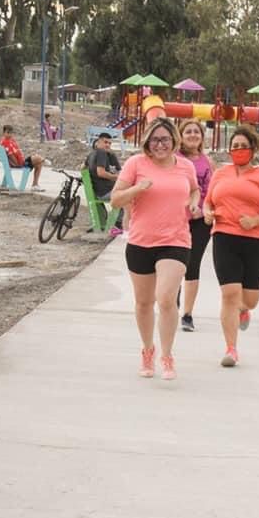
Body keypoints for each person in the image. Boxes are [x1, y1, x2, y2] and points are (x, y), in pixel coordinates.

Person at [111, 118, 199, 380]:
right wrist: (137, 188)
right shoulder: (135, 164)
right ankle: (148, 350)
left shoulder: (185, 166)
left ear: (174, 141)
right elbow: (115, 199)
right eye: (155, 140)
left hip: (176, 240)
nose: (160, 145)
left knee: (166, 298)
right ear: (147, 142)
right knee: (143, 303)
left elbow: (195, 190)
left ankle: (167, 355)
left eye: (165, 139)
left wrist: (194, 203)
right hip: (141, 241)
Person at [203, 125, 259, 367]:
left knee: (250, 300)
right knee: (229, 294)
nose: (239, 150)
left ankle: (244, 309)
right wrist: (207, 213)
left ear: (253, 149)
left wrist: (255, 221)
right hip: (224, 236)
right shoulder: (220, 173)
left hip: (255, 240)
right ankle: (231, 349)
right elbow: (208, 202)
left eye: (243, 146)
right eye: (235, 146)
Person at [176, 119, 214, 332]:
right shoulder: (174, 159)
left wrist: (203, 208)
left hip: (200, 221)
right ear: (180, 136)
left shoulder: (207, 162)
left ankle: (187, 314)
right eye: (188, 132)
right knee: (174, 263)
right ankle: (172, 301)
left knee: (192, 264)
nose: (192, 135)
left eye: (196, 132)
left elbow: (211, 190)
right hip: (176, 220)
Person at [85, 131, 124, 233]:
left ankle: (119, 223)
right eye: (105, 142)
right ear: (98, 142)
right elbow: (101, 173)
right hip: (105, 192)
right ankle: (118, 224)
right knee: (129, 195)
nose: (108, 145)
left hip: (99, 192)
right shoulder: (101, 153)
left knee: (129, 191)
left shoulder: (91, 154)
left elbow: (83, 167)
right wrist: (116, 178)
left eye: (110, 143)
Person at [0, 125, 47, 192]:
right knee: (38, 160)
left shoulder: (7, 141)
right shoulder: (6, 142)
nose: (10, 135)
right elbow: (10, 155)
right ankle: (35, 184)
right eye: (8, 132)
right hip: (20, 164)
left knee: (39, 162)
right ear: (3, 133)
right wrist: (18, 164)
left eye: (11, 133)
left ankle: (35, 185)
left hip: (20, 162)